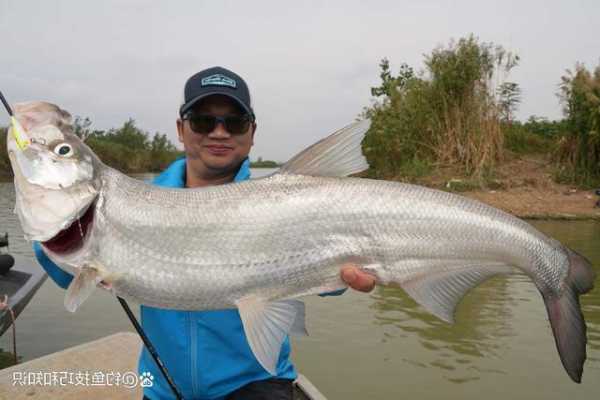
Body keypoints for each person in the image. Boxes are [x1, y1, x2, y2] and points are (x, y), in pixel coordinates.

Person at [34, 66, 376, 400]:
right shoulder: (132, 204)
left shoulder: (287, 206)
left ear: (252, 132)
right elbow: (71, 274)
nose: (219, 132)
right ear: (181, 129)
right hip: (164, 390)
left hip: (259, 383)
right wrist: (52, 234)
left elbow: (320, 270)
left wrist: (338, 277)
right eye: (203, 121)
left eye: (234, 122)